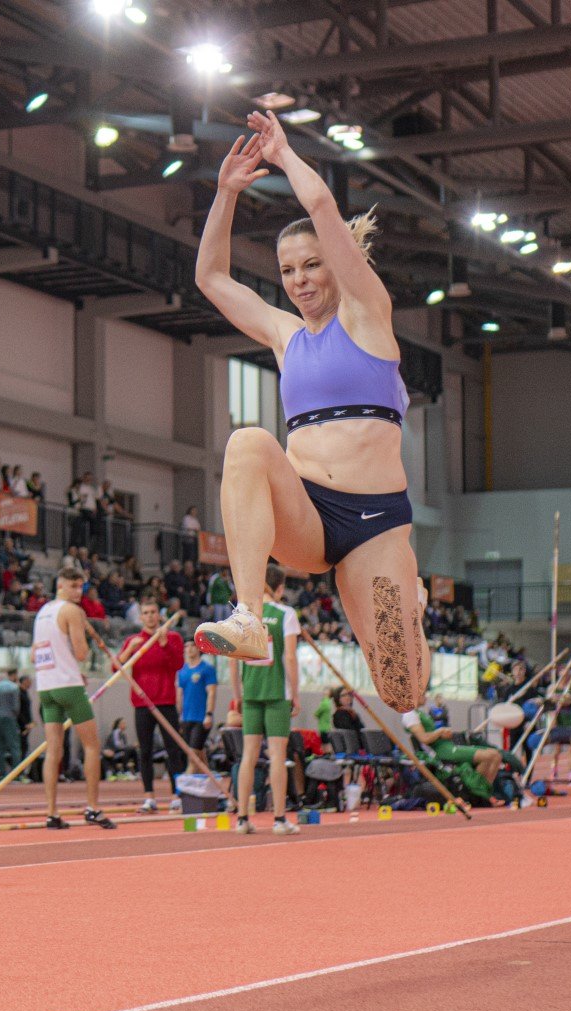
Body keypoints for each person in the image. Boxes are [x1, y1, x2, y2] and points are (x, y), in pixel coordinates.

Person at [191, 113, 429, 720]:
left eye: (312, 266)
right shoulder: (284, 335)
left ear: (338, 264)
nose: (298, 281)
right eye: (288, 271)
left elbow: (321, 204)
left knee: (403, 692)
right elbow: (211, 277)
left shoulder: (370, 316)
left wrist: (285, 155)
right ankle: (249, 616)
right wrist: (225, 195)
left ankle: (413, 604)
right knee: (246, 441)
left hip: (373, 524)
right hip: (308, 514)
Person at [32, 566, 115, 830]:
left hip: (46, 688)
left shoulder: (42, 612)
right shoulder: (72, 612)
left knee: (53, 750)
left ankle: (51, 813)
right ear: (60, 585)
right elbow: (80, 653)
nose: (79, 592)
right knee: (92, 746)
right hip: (67, 687)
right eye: (74, 587)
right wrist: (88, 649)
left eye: (81, 587)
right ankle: (92, 808)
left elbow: (36, 654)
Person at [228, 563, 301, 835]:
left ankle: (242, 818)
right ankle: (280, 820)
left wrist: (237, 696)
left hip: (251, 694)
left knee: (248, 756)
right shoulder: (286, 614)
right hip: (276, 694)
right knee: (277, 756)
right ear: (280, 588)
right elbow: (291, 658)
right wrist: (295, 694)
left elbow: (232, 662)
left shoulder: (243, 615)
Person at [119, 598, 187, 813]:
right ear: (141, 617)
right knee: (145, 752)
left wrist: (165, 645)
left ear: (159, 615)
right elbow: (116, 668)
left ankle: (177, 795)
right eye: (146, 612)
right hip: (143, 704)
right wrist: (129, 650)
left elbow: (178, 665)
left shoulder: (172, 637)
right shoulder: (134, 640)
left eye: (153, 612)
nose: (149, 616)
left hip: (166, 702)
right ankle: (149, 798)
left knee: (173, 751)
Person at [406, 700, 496, 801]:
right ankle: (482, 796)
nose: (425, 696)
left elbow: (431, 735)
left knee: (495, 755)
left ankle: (482, 793)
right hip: (442, 751)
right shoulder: (410, 715)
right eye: (422, 693)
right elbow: (424, 739)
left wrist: (444, 733)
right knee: (489, 756)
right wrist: (440, 731)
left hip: (448, 745)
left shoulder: (420, 713)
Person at [177, 642, 218, 751]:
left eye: (192, 645)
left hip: (201, 718)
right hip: (186, 718)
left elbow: (211, 692)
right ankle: (205, 769)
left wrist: (209, 714)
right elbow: (180, 695)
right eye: (186, 646)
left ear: (199, 648)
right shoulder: (182, 672)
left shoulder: (207, 669)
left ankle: (189, 769)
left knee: (193, 753)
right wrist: (179, 714)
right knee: (196, 754)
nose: (189, 649)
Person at [0, 668, 23, 777]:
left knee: (0, 747)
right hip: (9, 717)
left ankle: (2, 774)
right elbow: (16, 707)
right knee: (14, 746)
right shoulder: (14, 688)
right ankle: (16, 774)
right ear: (15, 675)